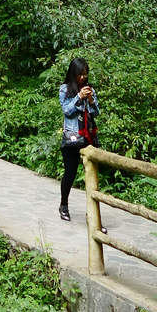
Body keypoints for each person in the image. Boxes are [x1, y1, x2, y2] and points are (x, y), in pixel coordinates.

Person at [58, 56, 100, 222]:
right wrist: (79, 97)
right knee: (70, 172)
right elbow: (67, 111)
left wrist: (90, 99)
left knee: (91, 174)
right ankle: (63, 205)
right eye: (80, 74)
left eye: (85, 74)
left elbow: (96, 113)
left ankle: (92, 215)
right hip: (72, 138)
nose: (83, 77)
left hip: (88, 136)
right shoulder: (65, 89)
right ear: (73, 73)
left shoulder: (90, 89)